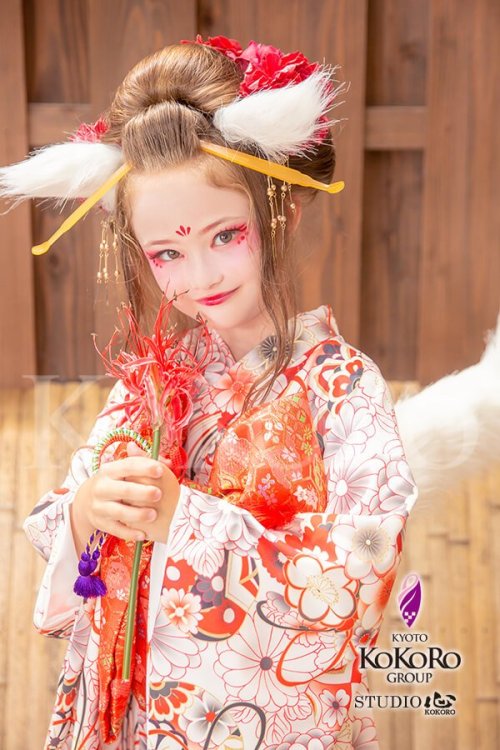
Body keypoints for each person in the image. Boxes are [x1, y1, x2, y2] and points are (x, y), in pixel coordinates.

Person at [2, 36, 418, 750]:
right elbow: (66, 515)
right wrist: (83, 510)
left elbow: (367, 564)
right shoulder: (153, 381)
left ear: (277, 215)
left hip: (269, 721)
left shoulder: (342, 386)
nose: (199, 275)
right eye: (167, 252)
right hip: (135, 715)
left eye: (226, 235)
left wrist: (187, 525)